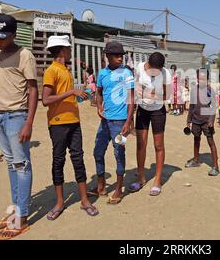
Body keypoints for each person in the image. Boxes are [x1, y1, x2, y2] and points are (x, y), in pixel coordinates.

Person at [0, 14, 38, 240]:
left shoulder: (25, 56)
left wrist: (29, 122)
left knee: (21, 165)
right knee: (10, 164)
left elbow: (33, 89)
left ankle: (21, 217)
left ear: (14, 35)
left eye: (3, 37)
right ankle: (16, 210)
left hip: (17, 117)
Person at [42, 35, 99, 219]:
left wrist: (79, 95)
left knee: (78, 160)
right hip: (58, 123)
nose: (70, 52)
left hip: (74, 122)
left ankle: (84, 200)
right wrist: (71, 92)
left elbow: (67, 97)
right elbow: (46, 100)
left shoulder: (66, 70)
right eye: (69, 49)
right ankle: (59, 202)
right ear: (62, 50)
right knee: (58, 161)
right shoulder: (51, 71)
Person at [93, 41, 135, 204]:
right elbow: (98, 92)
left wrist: (128, 122)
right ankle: (101, 186)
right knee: (97, 152)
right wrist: (98, 107)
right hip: (105, 122)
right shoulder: (102, 74)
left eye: (121, 55)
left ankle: (119, 189)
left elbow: (131, 98)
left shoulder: (127, 73)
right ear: (108, 56)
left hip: (121, 123)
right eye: (116, 55)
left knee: (119, 153)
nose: (120, 58)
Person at [130, 52, 172, 196]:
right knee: (141, 144)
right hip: (142, 111)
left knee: (158, 145)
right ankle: (141, 177)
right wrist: (148, 94)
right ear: (148, 64)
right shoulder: (139, 68)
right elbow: (136, 90)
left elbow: (168, 95)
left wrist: (155, 95)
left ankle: (157, 181)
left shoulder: (166, 74)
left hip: (158, 112)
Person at [185, 68, 219, 176]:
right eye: (200, 78)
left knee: (210, 142)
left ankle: (215, 166)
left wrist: (211, 120)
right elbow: (191, 106)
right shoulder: (194, 90)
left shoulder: (210, 90)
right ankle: (195, 160)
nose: (202, 80)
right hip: (196, 120)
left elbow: (214, 106)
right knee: (196, 139)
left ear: (207, 79)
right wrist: (189, 119)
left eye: (204, 78)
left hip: (206, 121)